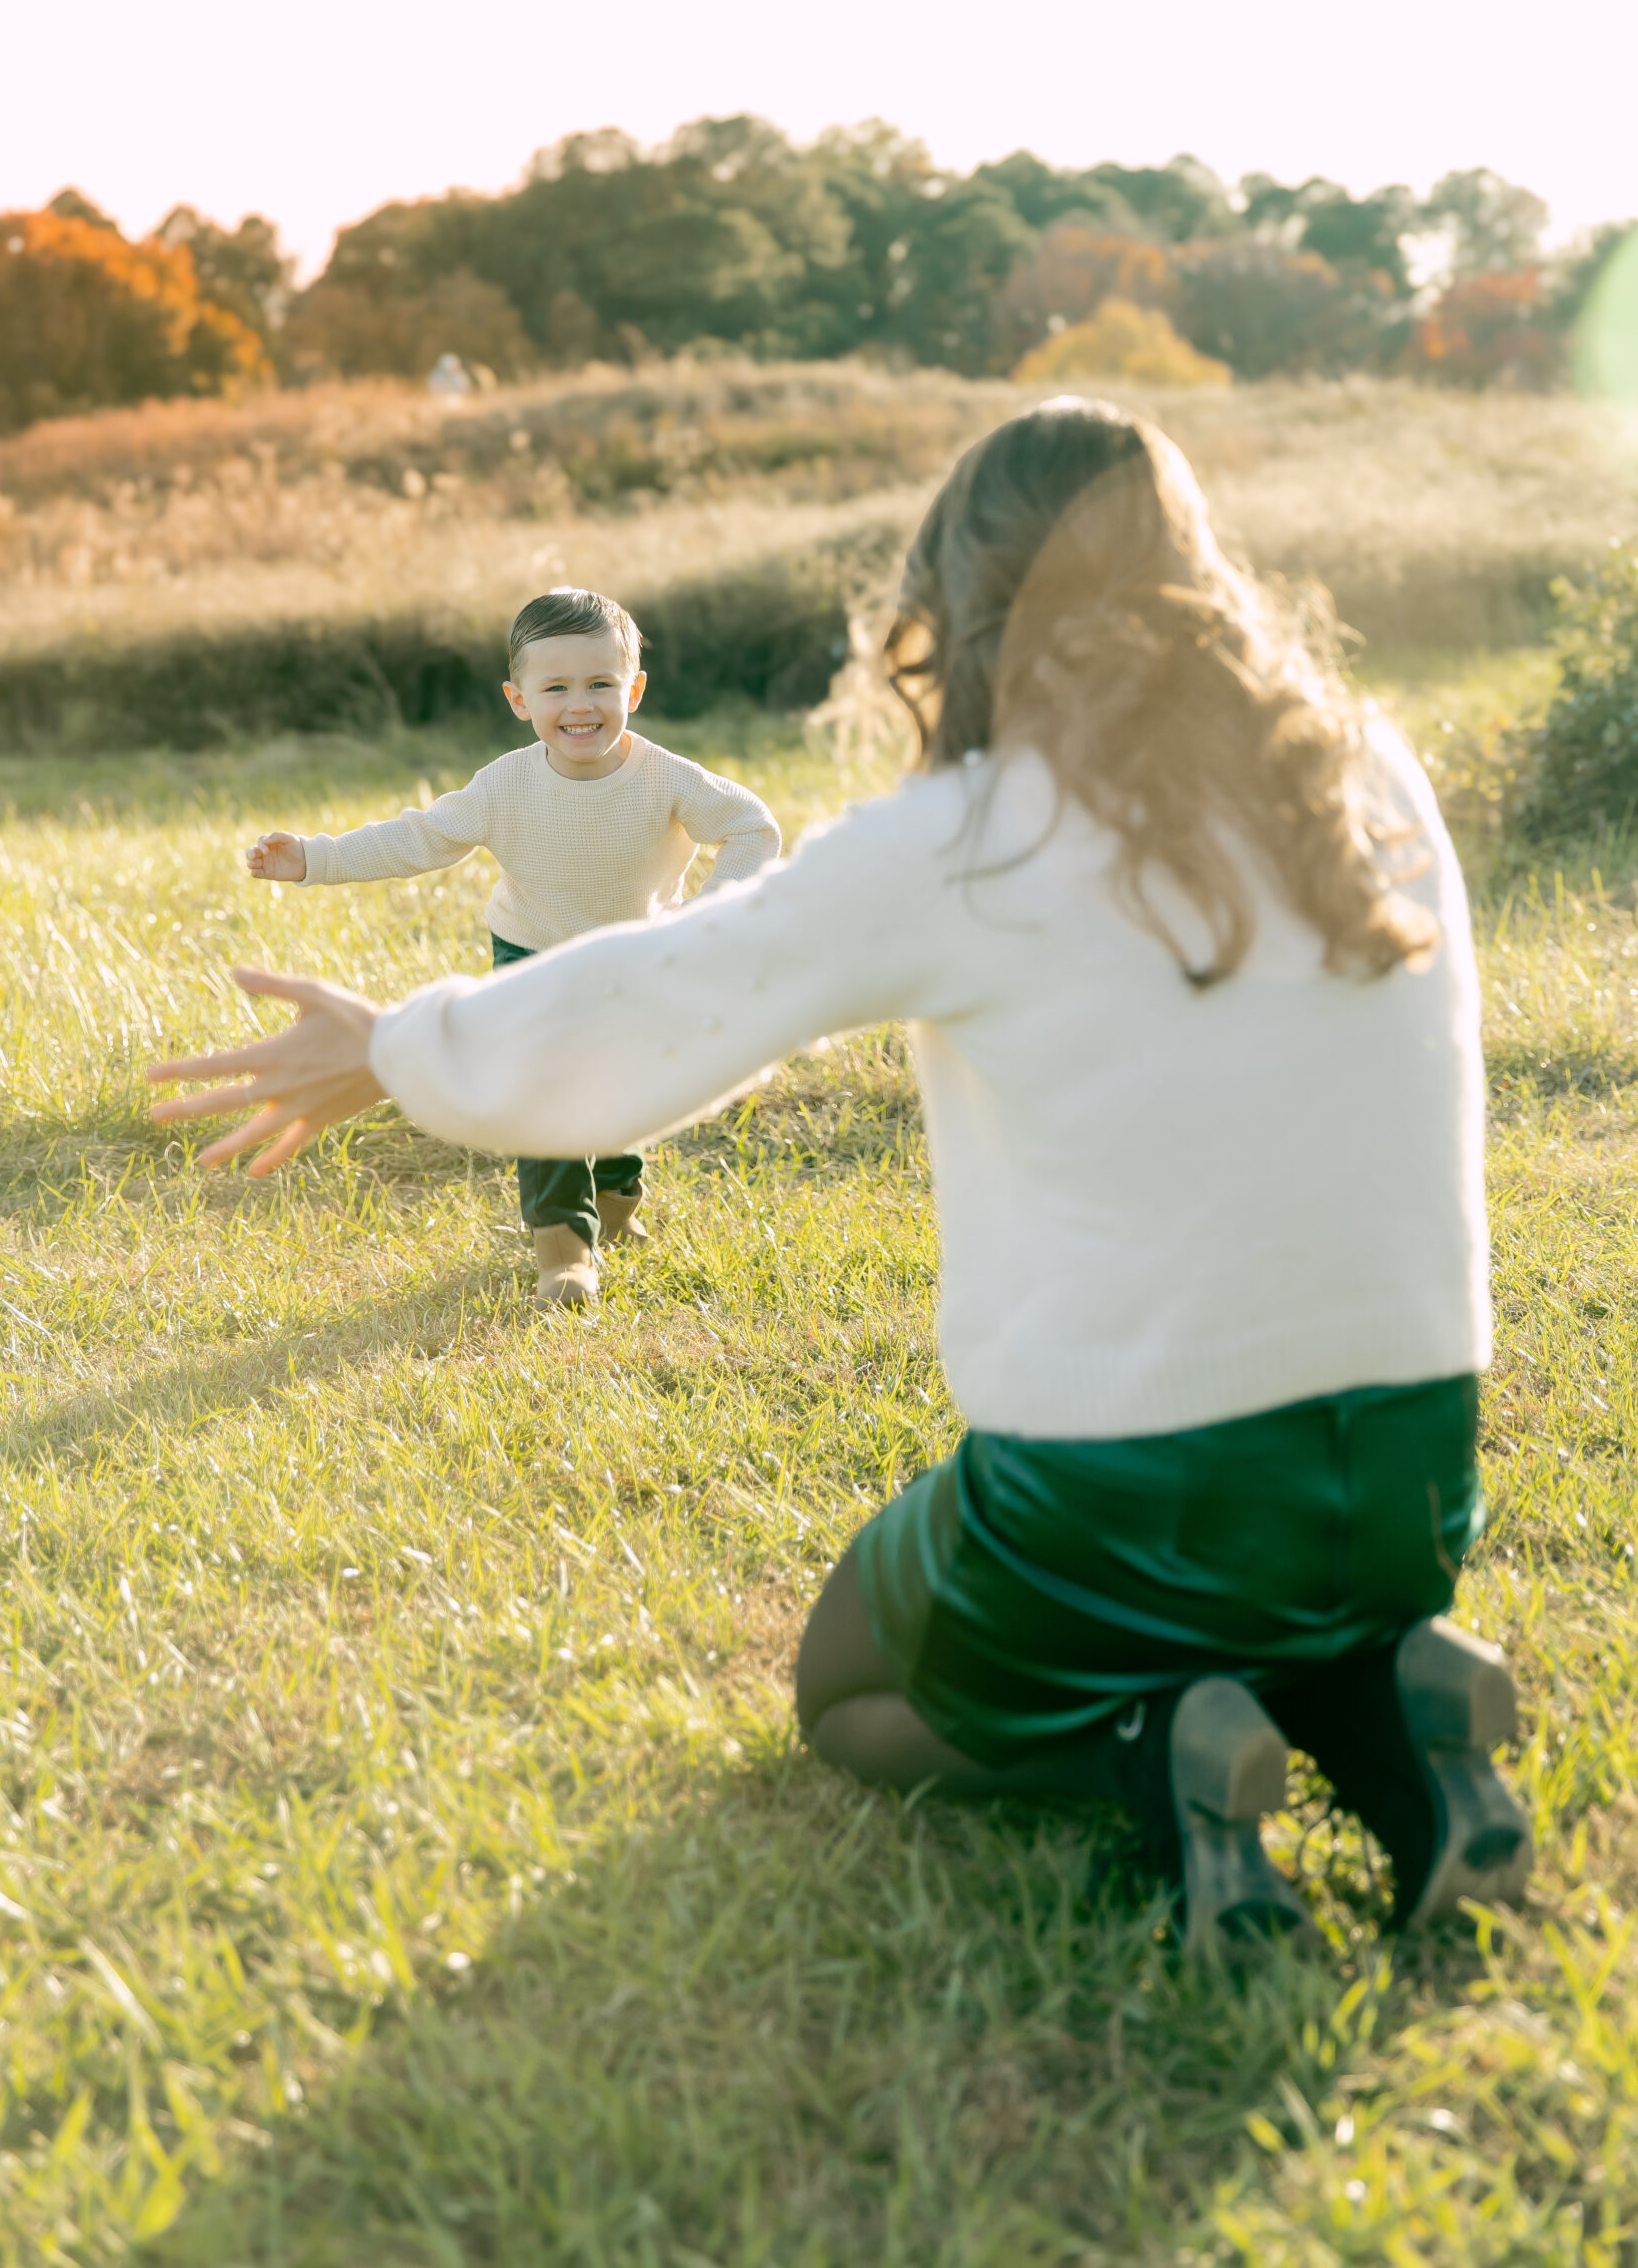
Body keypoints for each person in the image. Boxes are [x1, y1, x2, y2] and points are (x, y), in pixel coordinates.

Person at [150, 400, 1532, 1954]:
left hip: (1126, 1487)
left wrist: (393, 1048)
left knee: (852, 1688)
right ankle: (1388, 1713)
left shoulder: (967, 835)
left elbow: (665, 1003)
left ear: (957, 599)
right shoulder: (1365, 774)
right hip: (1416, 1473)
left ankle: (1157, 1751)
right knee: (1282, 1595)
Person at [244, 586, 782, 1308]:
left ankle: (617, 1199)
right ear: (518, 699)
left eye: (600, 683)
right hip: (530, 956)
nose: (580, 704)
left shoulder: (666, 778)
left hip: (636, 961)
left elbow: (753, 830)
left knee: (618, 1096)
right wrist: (314, 858)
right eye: (555, 687)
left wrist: (710, 915)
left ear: (636, 689)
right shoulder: (504, 786)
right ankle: (563, 1251)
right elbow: (418, 839)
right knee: (544, 1092)